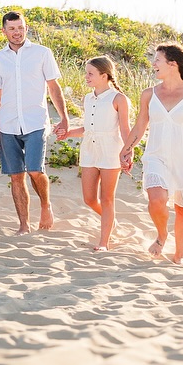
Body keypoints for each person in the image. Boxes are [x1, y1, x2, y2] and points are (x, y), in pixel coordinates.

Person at [119, 43, 183, 264]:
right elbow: (139, 127)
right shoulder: (149, 94)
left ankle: (179, 256)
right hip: (156, 155)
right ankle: (162, 234)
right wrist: (126, 150)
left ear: (172, 64)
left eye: (157, 60)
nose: (153, 64)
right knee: (156, 199)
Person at [0, 11, 71, 234]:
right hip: (7, 125)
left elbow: (54, 87)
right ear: (4, 31)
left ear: (26, 28)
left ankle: (45, 205)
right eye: (12, 28)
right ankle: (23, 225)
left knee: (35, 170)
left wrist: (64, 117)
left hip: (35, 122)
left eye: (21, 27)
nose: (17, 32)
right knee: (16, 176)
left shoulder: (42, 53)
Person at [62, 56, 131, 251]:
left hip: (110, 150)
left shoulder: (119, 98)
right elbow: (87, 127)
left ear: (104, 75)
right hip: (89, 149)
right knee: (89, 198)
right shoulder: (88, 98)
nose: (86, 77)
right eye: (86, 73)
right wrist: (67, 133)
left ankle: (104, 242)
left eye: (90, 73)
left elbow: (125, 130)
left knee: (107, 198)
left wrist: (128, 151)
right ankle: (111, 222)